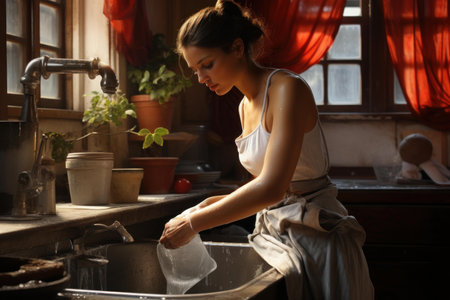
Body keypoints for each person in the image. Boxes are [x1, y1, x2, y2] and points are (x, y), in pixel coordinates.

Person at [159, 1, 374, 299]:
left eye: (207, 64)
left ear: (237, 47)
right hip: (277, 239)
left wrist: (194, 223)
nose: (201, 78)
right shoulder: (244, 107)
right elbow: (268, 191)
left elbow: (273, 188)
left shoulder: (287, 88)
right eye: (196, 69)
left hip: (317, 239)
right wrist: (201, 207)